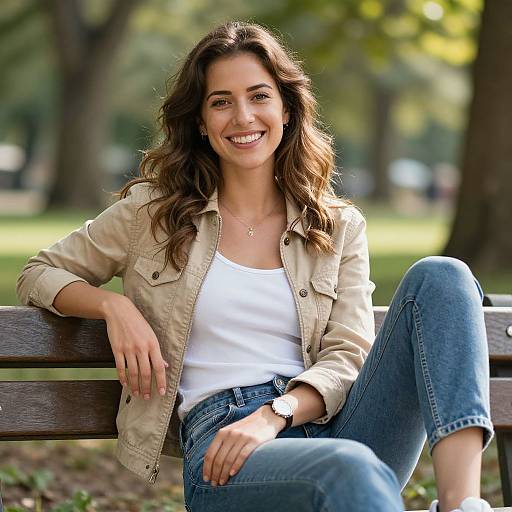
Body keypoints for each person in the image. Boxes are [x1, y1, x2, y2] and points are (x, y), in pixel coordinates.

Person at [16, 20, 495, 512]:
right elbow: (38, 273)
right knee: (347, 469)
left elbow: (348, 356)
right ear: (201, 122)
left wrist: (276, 413)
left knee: (443, 277)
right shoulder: (152, 213)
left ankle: (462, 505)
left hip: (326, 422)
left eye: (259, 96)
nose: (243, 116)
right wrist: (114, 307)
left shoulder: (336, 226)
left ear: (286, 109)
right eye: (221, 101)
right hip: (224, 449)